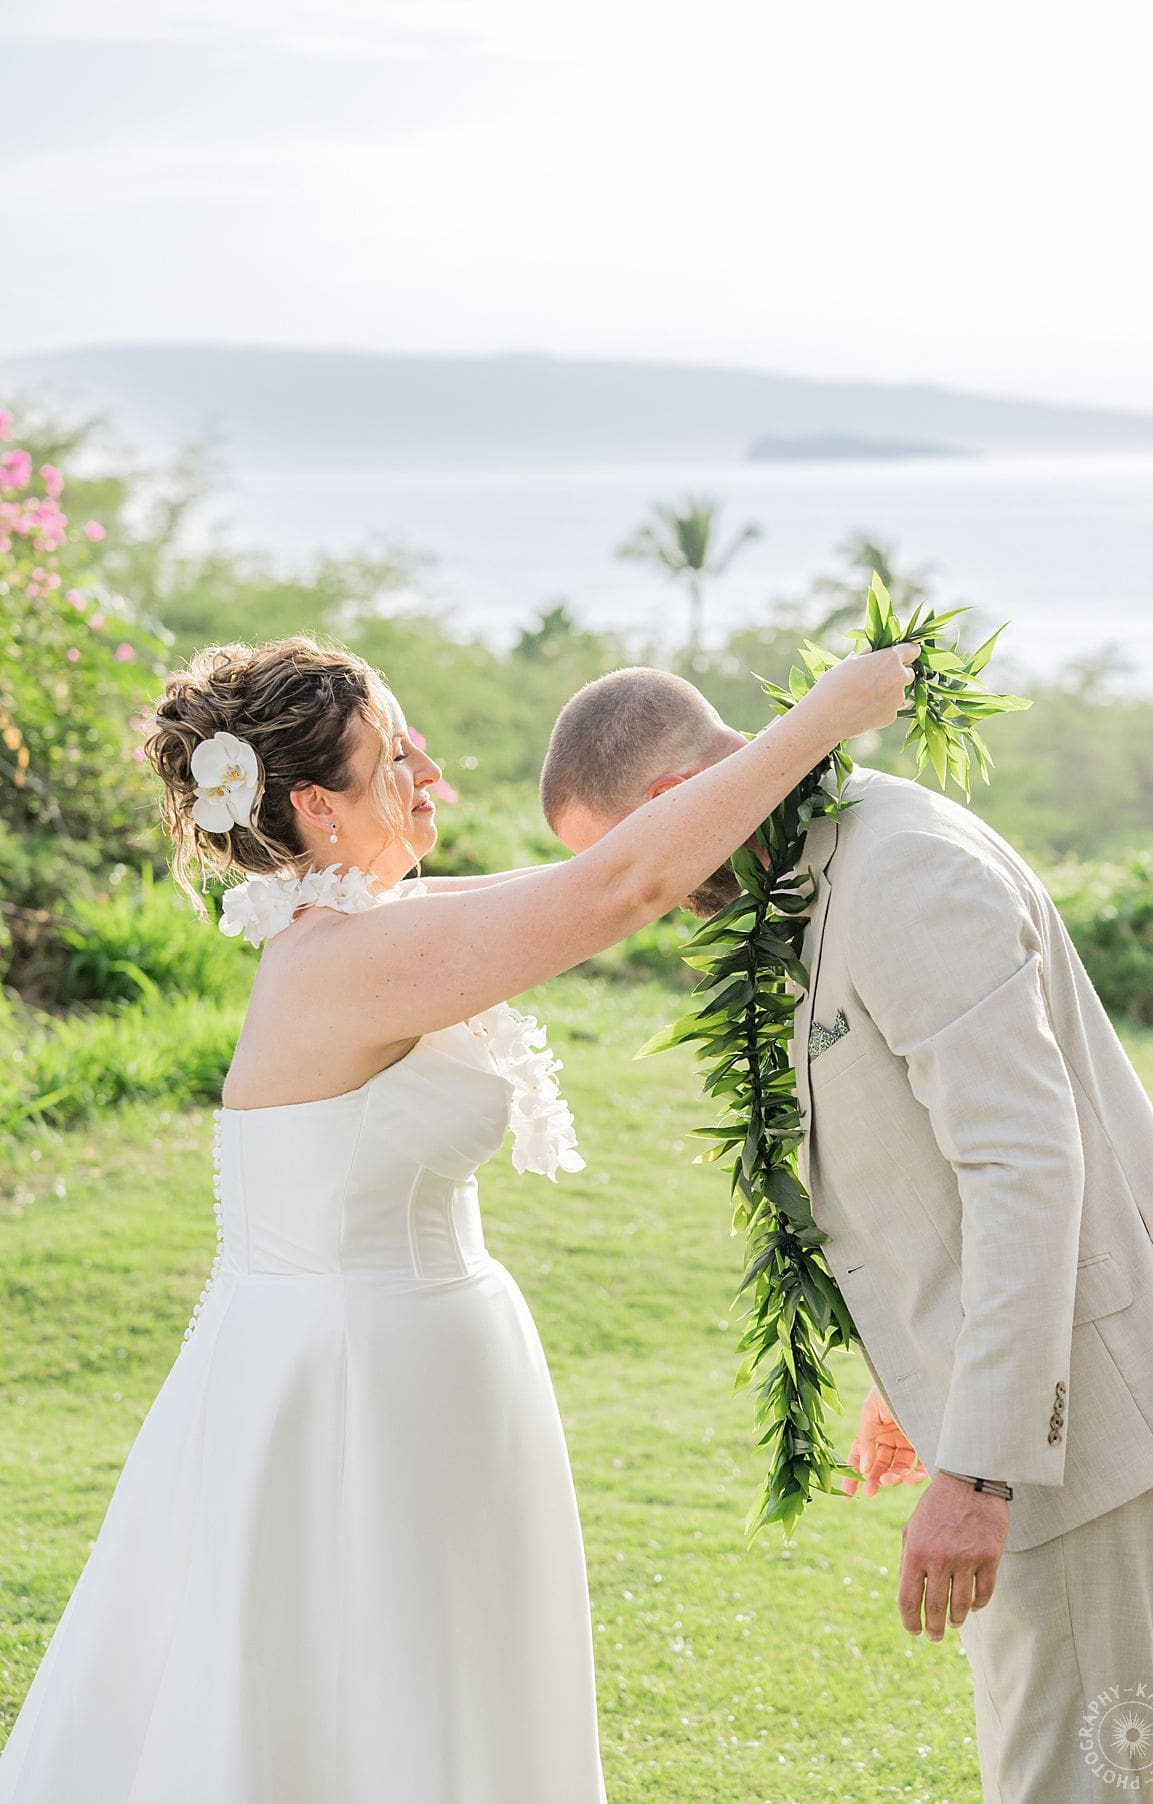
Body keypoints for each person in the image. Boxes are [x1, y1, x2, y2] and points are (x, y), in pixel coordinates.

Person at [0, 632, 915, 1804]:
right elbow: (616, 888)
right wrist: (828, 715)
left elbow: (606, 873)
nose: (428, 771)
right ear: (320, 808)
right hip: (347, 1389)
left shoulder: (371, 926)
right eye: (394, 756)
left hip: (415, 1362)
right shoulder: (343, 962)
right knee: (359, 1698)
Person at [540, 664, 1153, 1803]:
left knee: (1082, 1786)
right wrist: (918, 1372)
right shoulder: (812, 866)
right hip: (1025, 1403)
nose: (646, 896)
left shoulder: (902, 871)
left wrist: (980, 1469)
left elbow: (1025, 1168)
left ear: (672, 800)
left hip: (1086, 1421)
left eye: (630, 861)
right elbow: (914, 1167)